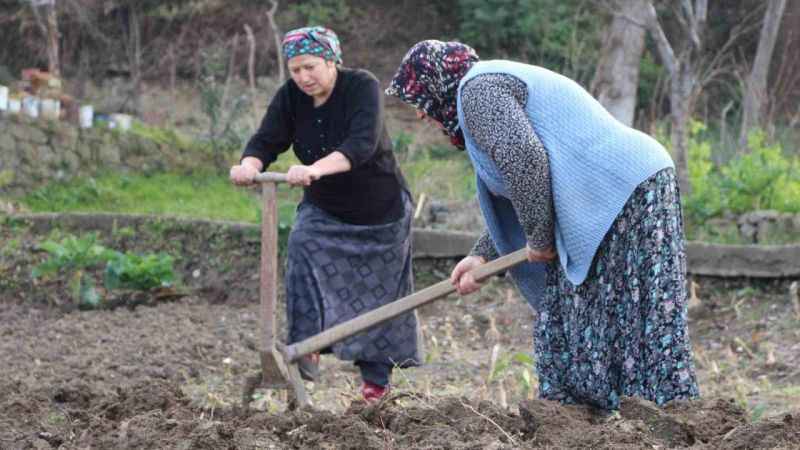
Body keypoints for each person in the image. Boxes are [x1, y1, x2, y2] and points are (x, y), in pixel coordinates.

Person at [386, 40, 699, 410]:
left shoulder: (477, 91)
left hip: (624, 190)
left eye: (420, 99)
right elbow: (521, 188)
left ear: (438, 84)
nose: (422, 115)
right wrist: (481, 257)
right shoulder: (482, 93)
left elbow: (526, 161)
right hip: (620, 189)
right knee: (575, 314)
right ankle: (581, 418)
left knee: (629, 311)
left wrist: (538, 238)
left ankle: (650, 417)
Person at [230, 26, 420, 403]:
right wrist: (248, 165)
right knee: (301, 245)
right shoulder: (290, 97)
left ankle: (375, 384)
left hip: (378, 210)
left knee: (376, 296)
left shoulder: (361, 87)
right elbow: (267, 139)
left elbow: (361, 144)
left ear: (333, 60)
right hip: (326, 207)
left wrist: (316, 168)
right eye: (295, 69)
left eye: (311, 67)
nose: (303, 77)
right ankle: (305, 351)